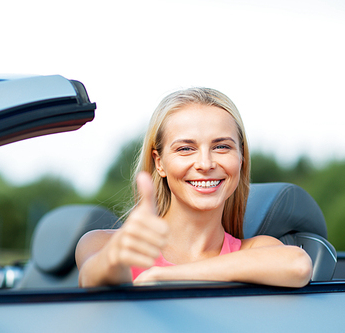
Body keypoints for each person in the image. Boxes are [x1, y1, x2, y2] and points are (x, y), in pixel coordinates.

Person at [75, 87, 312, 288]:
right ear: (160, 163)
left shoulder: (253, 250)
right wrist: (114, 259)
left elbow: (298, 265)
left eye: (221, 147)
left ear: (241, 159)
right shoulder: (101, 244)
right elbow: (91, 277)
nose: (205, 164)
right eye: (185, 149)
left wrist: (165, 276)